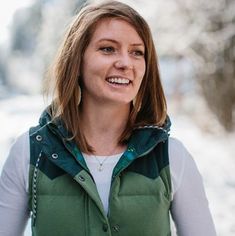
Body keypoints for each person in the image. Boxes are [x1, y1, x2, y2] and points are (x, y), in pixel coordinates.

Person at [0, 1, 217, 235]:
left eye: (137, 52)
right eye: (107, 49)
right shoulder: (30, 154)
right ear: (76, 60)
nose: (125, 63)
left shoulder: (171, 157)